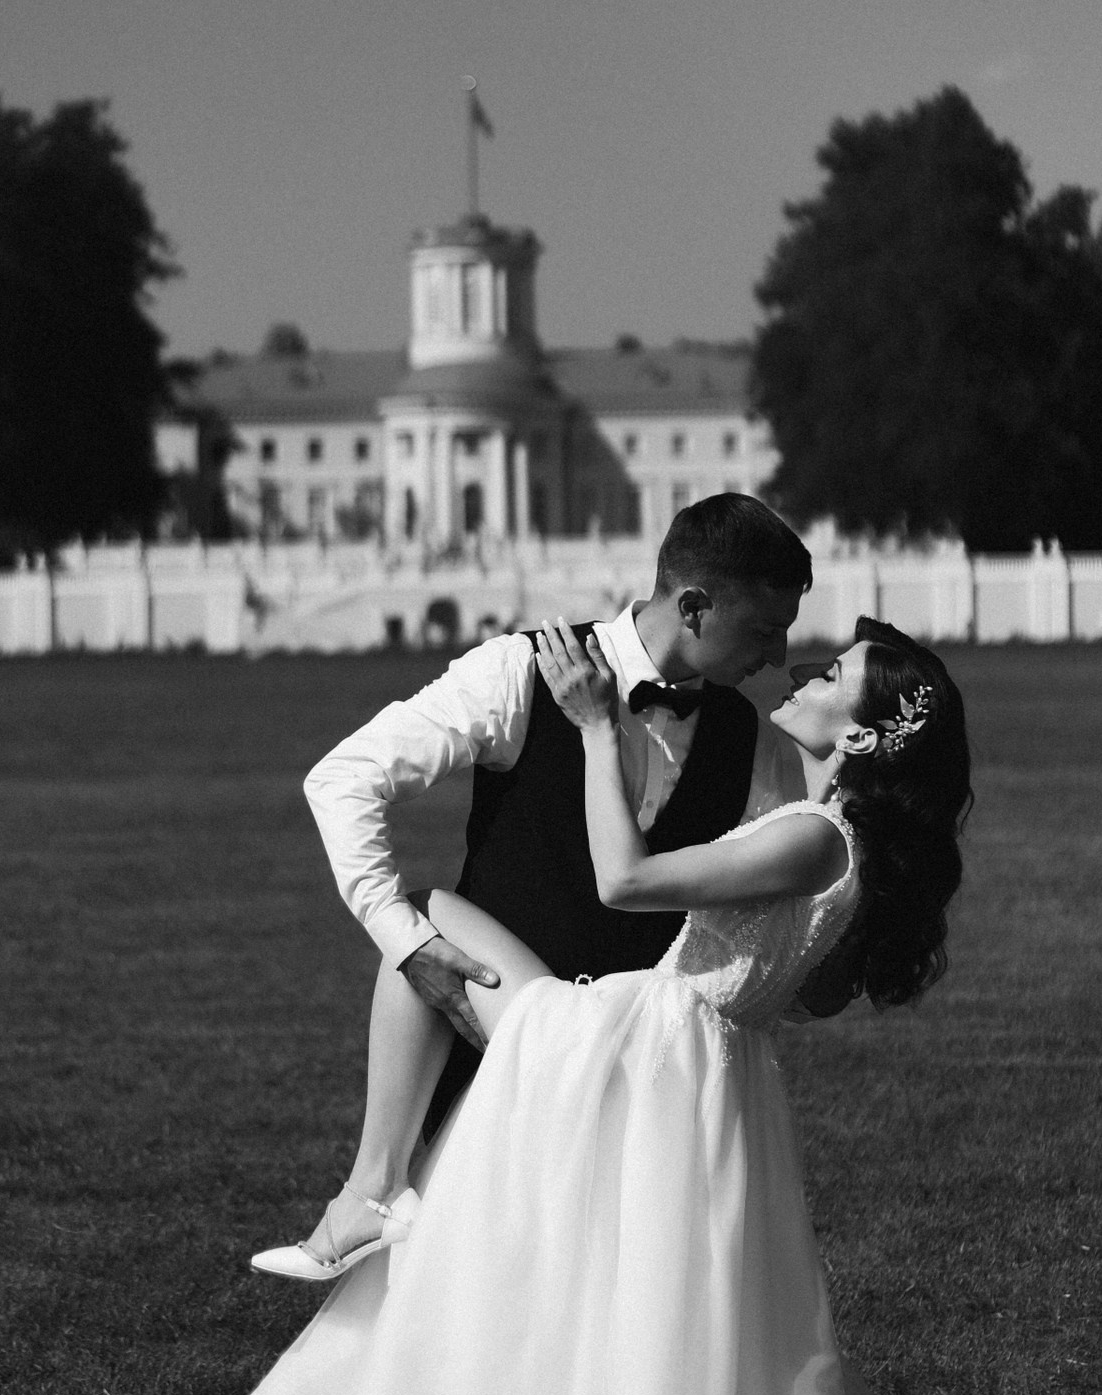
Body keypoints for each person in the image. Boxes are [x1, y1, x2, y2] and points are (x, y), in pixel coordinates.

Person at [250, 618, 1084, 1395]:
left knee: (426, 919)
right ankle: (382, 1201)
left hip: (645, 1055)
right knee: (626, 1310)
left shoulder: (812, 832)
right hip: (696, 1068)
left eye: (828, 678)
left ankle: (376, 1193)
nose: (798, 677)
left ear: (858, 734)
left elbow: (625, 882)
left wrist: (595, 727)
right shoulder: (821, 826)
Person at [259, 494, 814, 1279]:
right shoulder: (517, 669)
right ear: (693, 605)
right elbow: (344, 779)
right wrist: (406, 944)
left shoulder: (748, 741)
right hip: (485, 1051)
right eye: (763, 629)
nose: (779, 651)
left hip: (638, 1088)